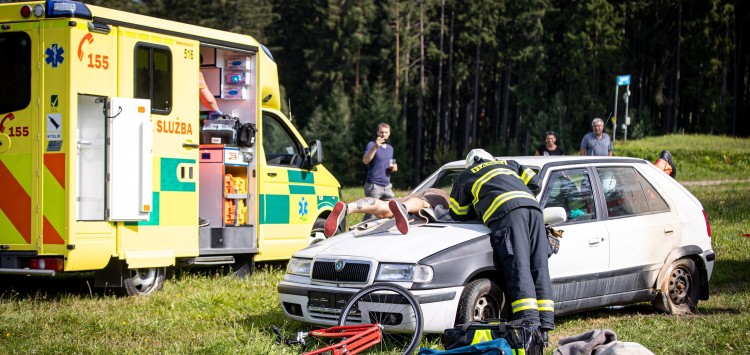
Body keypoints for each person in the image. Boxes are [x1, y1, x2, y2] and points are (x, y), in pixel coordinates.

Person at [449, 149, 554, 343]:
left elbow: (457, 212)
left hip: (507, 215)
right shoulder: (510, 164)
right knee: (539, 267)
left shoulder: (467, 175)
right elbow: (535, 183)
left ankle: (529, 328)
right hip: (534, 210)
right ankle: (545, 329)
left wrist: (478, 203)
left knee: (519, 268)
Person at [324, 188, 449, 237]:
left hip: (412, 194)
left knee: (384, 207)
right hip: (440, 195)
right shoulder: (444, 194)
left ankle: (348, 208)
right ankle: (404, 208)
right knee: (423, 204)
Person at [362, 123, 397, 219]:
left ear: (389, 133)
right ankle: (362, 232)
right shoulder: (372, 144)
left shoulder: (390, 148)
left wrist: (393, 168)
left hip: (387, 186)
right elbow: (365, 160)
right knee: (371, 215)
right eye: (381, 132)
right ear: (377, 132)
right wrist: (376, 147)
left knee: (391, 211)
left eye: (386, 132)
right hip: (374, 186)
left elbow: (388, 164)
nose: (383, 134)